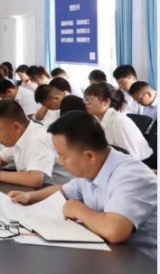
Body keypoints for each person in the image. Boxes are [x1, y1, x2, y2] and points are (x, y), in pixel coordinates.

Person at [9, 111, 157, 259]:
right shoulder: (92, 169)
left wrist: (79, 210)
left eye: (64, 156)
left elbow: (115, 231)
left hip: (142, 261)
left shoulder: (131, 176)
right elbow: (63, 190)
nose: (60, 162)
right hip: (109, 255)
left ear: (89, 156)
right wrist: (30, 196)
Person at [84, 83, 152, 161]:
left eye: (90, 99)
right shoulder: (97, 119)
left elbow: (132, 157)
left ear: (106, 102)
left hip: (140, 163)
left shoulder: (119, 122)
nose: (86, 103)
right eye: (85, 99)